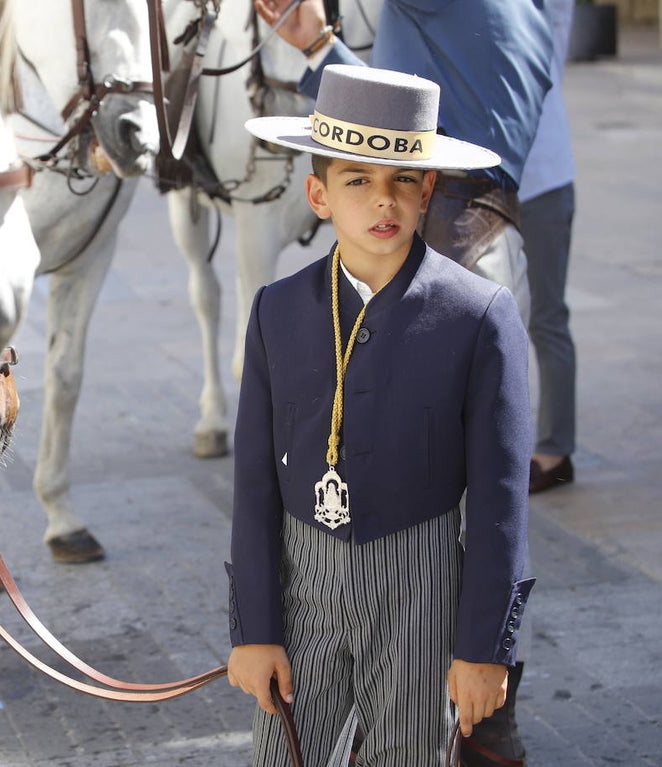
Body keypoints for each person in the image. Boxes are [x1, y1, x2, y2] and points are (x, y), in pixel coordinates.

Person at [225, 65, 535, 766]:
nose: (382, 200)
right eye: (357, 180)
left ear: (428, 191)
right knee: (282, 754)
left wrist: (486, 647)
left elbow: (499, 501)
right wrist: (253, 627)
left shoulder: (478, 316)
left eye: (402, 180)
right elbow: (252, 482)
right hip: (301, 576)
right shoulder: (277, 309)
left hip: (419, 579)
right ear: (319, 194)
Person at [255, 0, 554, 329]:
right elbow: (395, 115)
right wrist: (317, 46)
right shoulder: (533, 11)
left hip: (434, 244)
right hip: (487, 237)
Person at [522, 0, 578, 495]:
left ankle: (556, 449)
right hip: (481, 183)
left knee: (547, 317)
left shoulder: (547, 16)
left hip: (543, 181)